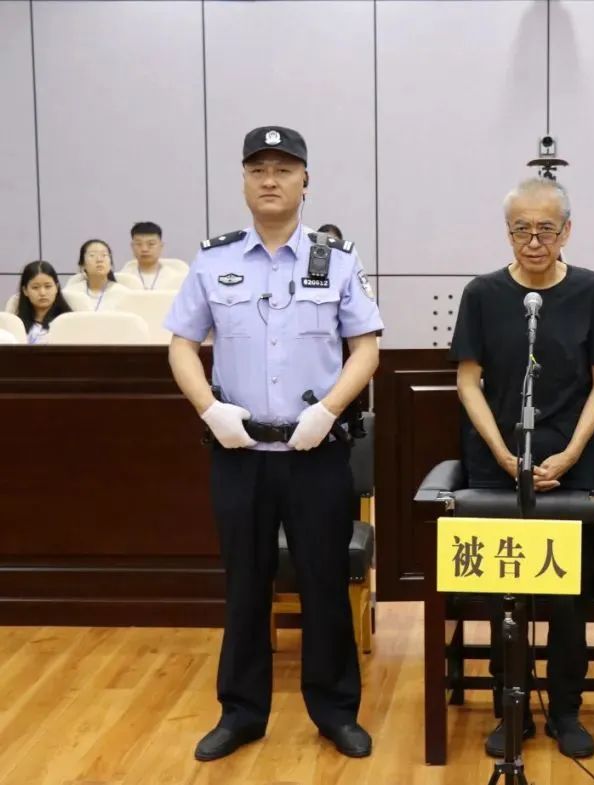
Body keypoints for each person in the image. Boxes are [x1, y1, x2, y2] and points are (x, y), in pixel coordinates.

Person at [164, 125, 382, 762]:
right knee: (245, 585)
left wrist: (329, 410)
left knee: (324, 584)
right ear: (243, 180)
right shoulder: (214, 260)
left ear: (305, 181)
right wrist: (210, 410)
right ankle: (241, 713)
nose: (270, 180)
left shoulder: (337, 260)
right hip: (239, 453)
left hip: (316, 452)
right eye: (258, 169)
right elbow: (181, 344)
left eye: (284, 170)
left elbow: (366, 348)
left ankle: (335, 712)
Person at [449, 177, 594, 760]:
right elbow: (468, 381)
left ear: (567, 231)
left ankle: (565, 709)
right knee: (505, 592)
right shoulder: (483, 293)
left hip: (570, 464)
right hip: (497, 462)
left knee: (566, 594)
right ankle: (511, 708)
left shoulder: (590, 290)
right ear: (508, 233)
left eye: (546, 229)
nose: (534, 241)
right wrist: (501, 451)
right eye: (521, 229)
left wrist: (570, 452)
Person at [120, 221, 189, 290]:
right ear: (132, 247)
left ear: (161, 246)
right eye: (138, 244)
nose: (144, 249)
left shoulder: (177, 279)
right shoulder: (122, 278)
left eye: (151, 244)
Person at [16, 261, 73, 344]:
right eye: (35, 287)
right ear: (25, 290)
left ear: (56, 288)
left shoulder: (69, 321)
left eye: (48, 286)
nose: (42, 293)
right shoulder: (16, 324)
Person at [63, 239, 128, 310]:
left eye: (104, 255)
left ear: (111, 264)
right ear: (82, 265)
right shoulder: (70, 293)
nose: (99, 260)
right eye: (92, 255)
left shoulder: (124, 294)